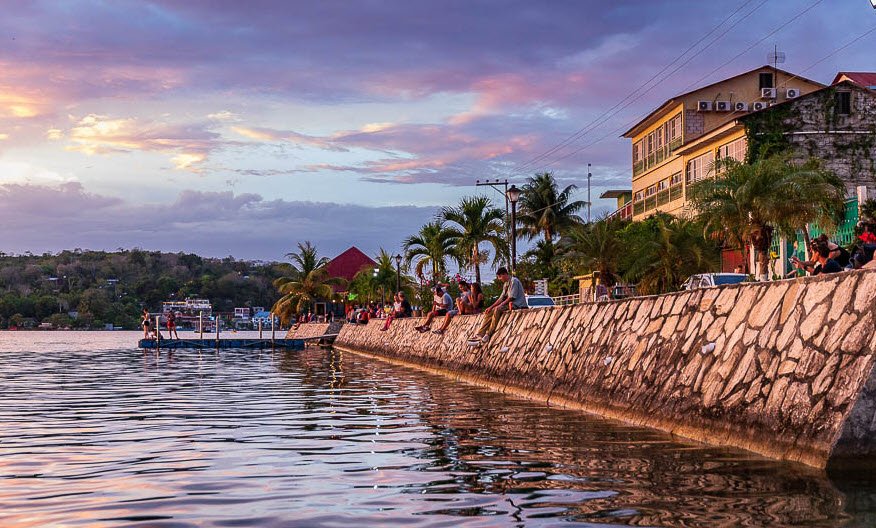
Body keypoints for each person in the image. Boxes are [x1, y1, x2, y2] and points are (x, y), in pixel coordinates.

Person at [469, 267, 526, 345]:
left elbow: (511, 297)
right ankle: (480, 334)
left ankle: (489, 333)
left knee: (497, 310)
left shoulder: (514, 281)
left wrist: (500, 305)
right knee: (489, 312)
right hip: (509, 304)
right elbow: (500, 299)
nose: (499, 279)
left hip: (517, 305)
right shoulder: (505, 284)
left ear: (504, 274)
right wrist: (490, 307)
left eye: (500, 277)